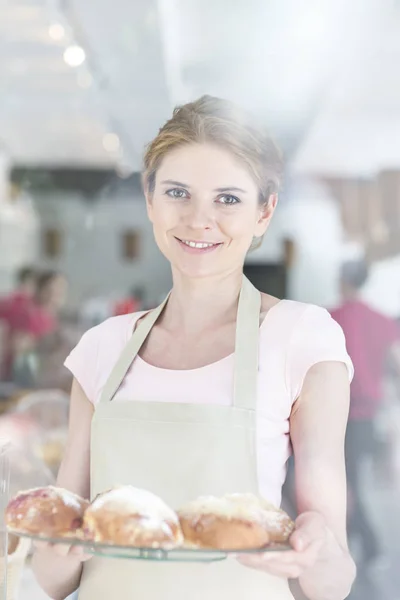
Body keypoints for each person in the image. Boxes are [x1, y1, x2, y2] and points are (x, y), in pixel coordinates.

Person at [32, 96, 355, 600]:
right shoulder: (103, 347)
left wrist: (318, 553)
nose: (199, 219)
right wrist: (49, 548)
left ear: (264, 211)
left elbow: (333, 583)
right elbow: (57, 580)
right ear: (150, 200)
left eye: (228, 198)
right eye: (178, 192)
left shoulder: (301, 338)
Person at [331, 260, 400, 570]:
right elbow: (392, 366)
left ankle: (365, 545)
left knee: (346, 484)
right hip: (370, 415)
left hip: (340, 414)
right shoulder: (383, 320)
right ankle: (358, 544)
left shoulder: (333, 318)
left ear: (343, 280)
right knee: (353, 483)